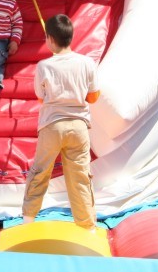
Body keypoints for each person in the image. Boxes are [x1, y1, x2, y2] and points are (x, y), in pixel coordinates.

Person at [22, 14, 100, 231]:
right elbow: (93, 97)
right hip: (79, 126)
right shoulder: (86, 63)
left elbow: (40, 97)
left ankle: (28, 220)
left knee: (40, 171)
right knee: (80, 177)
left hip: (52, 125)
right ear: (70, 37)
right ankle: (88, 227)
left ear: (49, 39)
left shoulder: (44, 66)